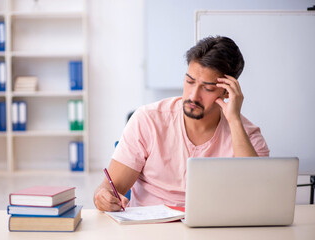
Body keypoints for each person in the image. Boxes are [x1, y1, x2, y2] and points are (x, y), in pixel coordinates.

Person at [93, 36, 269, 212]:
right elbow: (108, 189)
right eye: (190, 81)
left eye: (207, 88)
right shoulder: (148, 119)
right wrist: (103, 197)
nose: (193, 96)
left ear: (227, 91)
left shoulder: (247, 134)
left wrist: (235, 121)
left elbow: (256, 197)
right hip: (151, 229)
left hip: (215, 229)